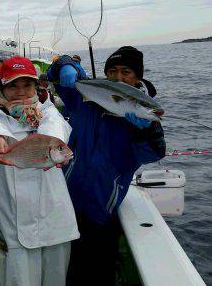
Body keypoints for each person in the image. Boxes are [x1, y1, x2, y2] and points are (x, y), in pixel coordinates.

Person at [47, 47, 166, 285]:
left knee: (96, 277)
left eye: (126, 72)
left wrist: (147, 131)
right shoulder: (85, 99)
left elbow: (153, 153)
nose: (119, 77)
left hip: (101, 213)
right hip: (63, 205)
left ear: (138, 78)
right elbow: (54, 73)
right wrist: (67, 65)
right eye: (112, 71)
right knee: (60, 276)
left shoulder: (142, 116)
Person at [0, 56, 79, 286]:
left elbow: (57, 129)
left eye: (27, 84)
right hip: (10, 223)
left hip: (53, 221)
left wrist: (50, 143)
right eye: (13, 85)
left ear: (36, 86)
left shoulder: (49, 112)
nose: (21, 91)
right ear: (1, 87)